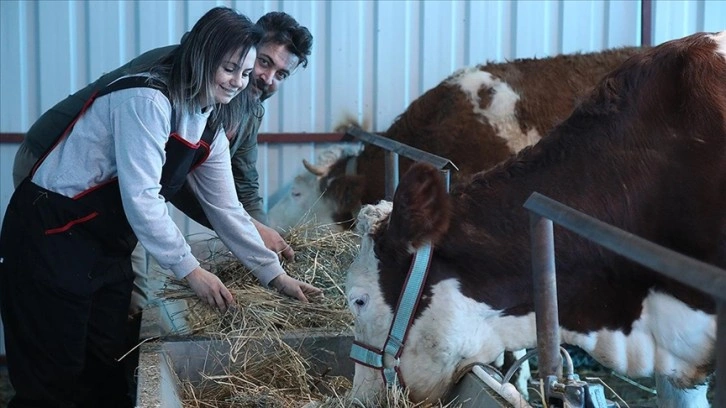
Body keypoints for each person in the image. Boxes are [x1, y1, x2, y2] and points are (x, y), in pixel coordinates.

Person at [0, 6, 320, 407]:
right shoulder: (148, 98)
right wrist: (191, 271)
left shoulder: (211, 119)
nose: (240, 82)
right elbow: (142, 199)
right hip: (53, 233)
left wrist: (275, 277)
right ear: (202, 56)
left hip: (105, 242)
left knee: (107, 363)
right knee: (53, 376)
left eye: (245, 72)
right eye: (229, 69)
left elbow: (227, 210)